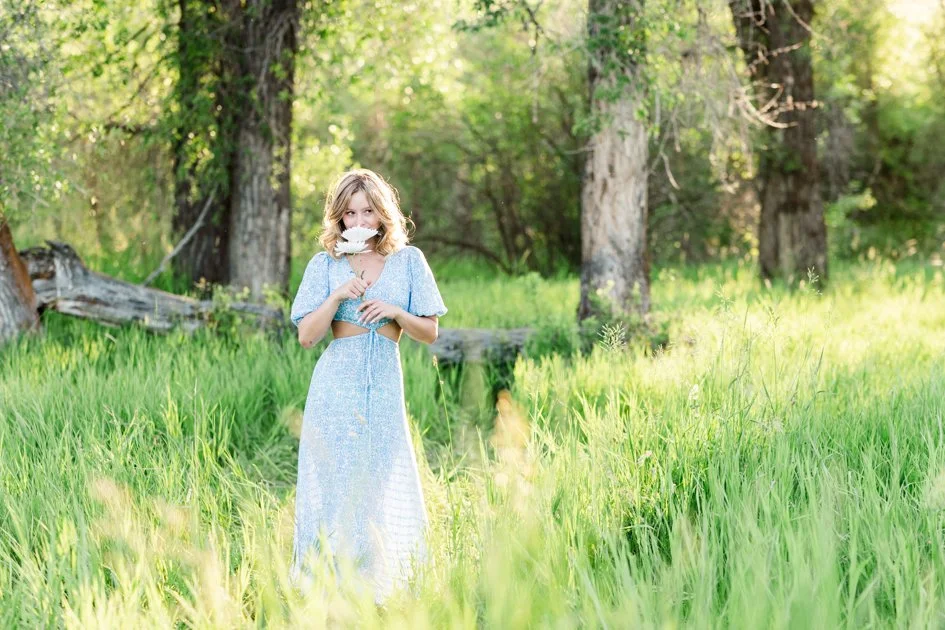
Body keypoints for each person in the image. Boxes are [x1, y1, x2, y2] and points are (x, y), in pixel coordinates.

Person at [288, 168, 448, 605]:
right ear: (338, 218)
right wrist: (337, 296)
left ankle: (376, 586)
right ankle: (328, 585)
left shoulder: (408, 261)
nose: (358, 222)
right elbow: (307, 337)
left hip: (384, 382)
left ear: (382, 214)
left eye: (367, 212)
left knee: (378, 479)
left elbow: (429, 332)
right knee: (336, 480)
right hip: (336, 383)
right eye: (349, 214)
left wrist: (396, 311)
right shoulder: (325, 264)